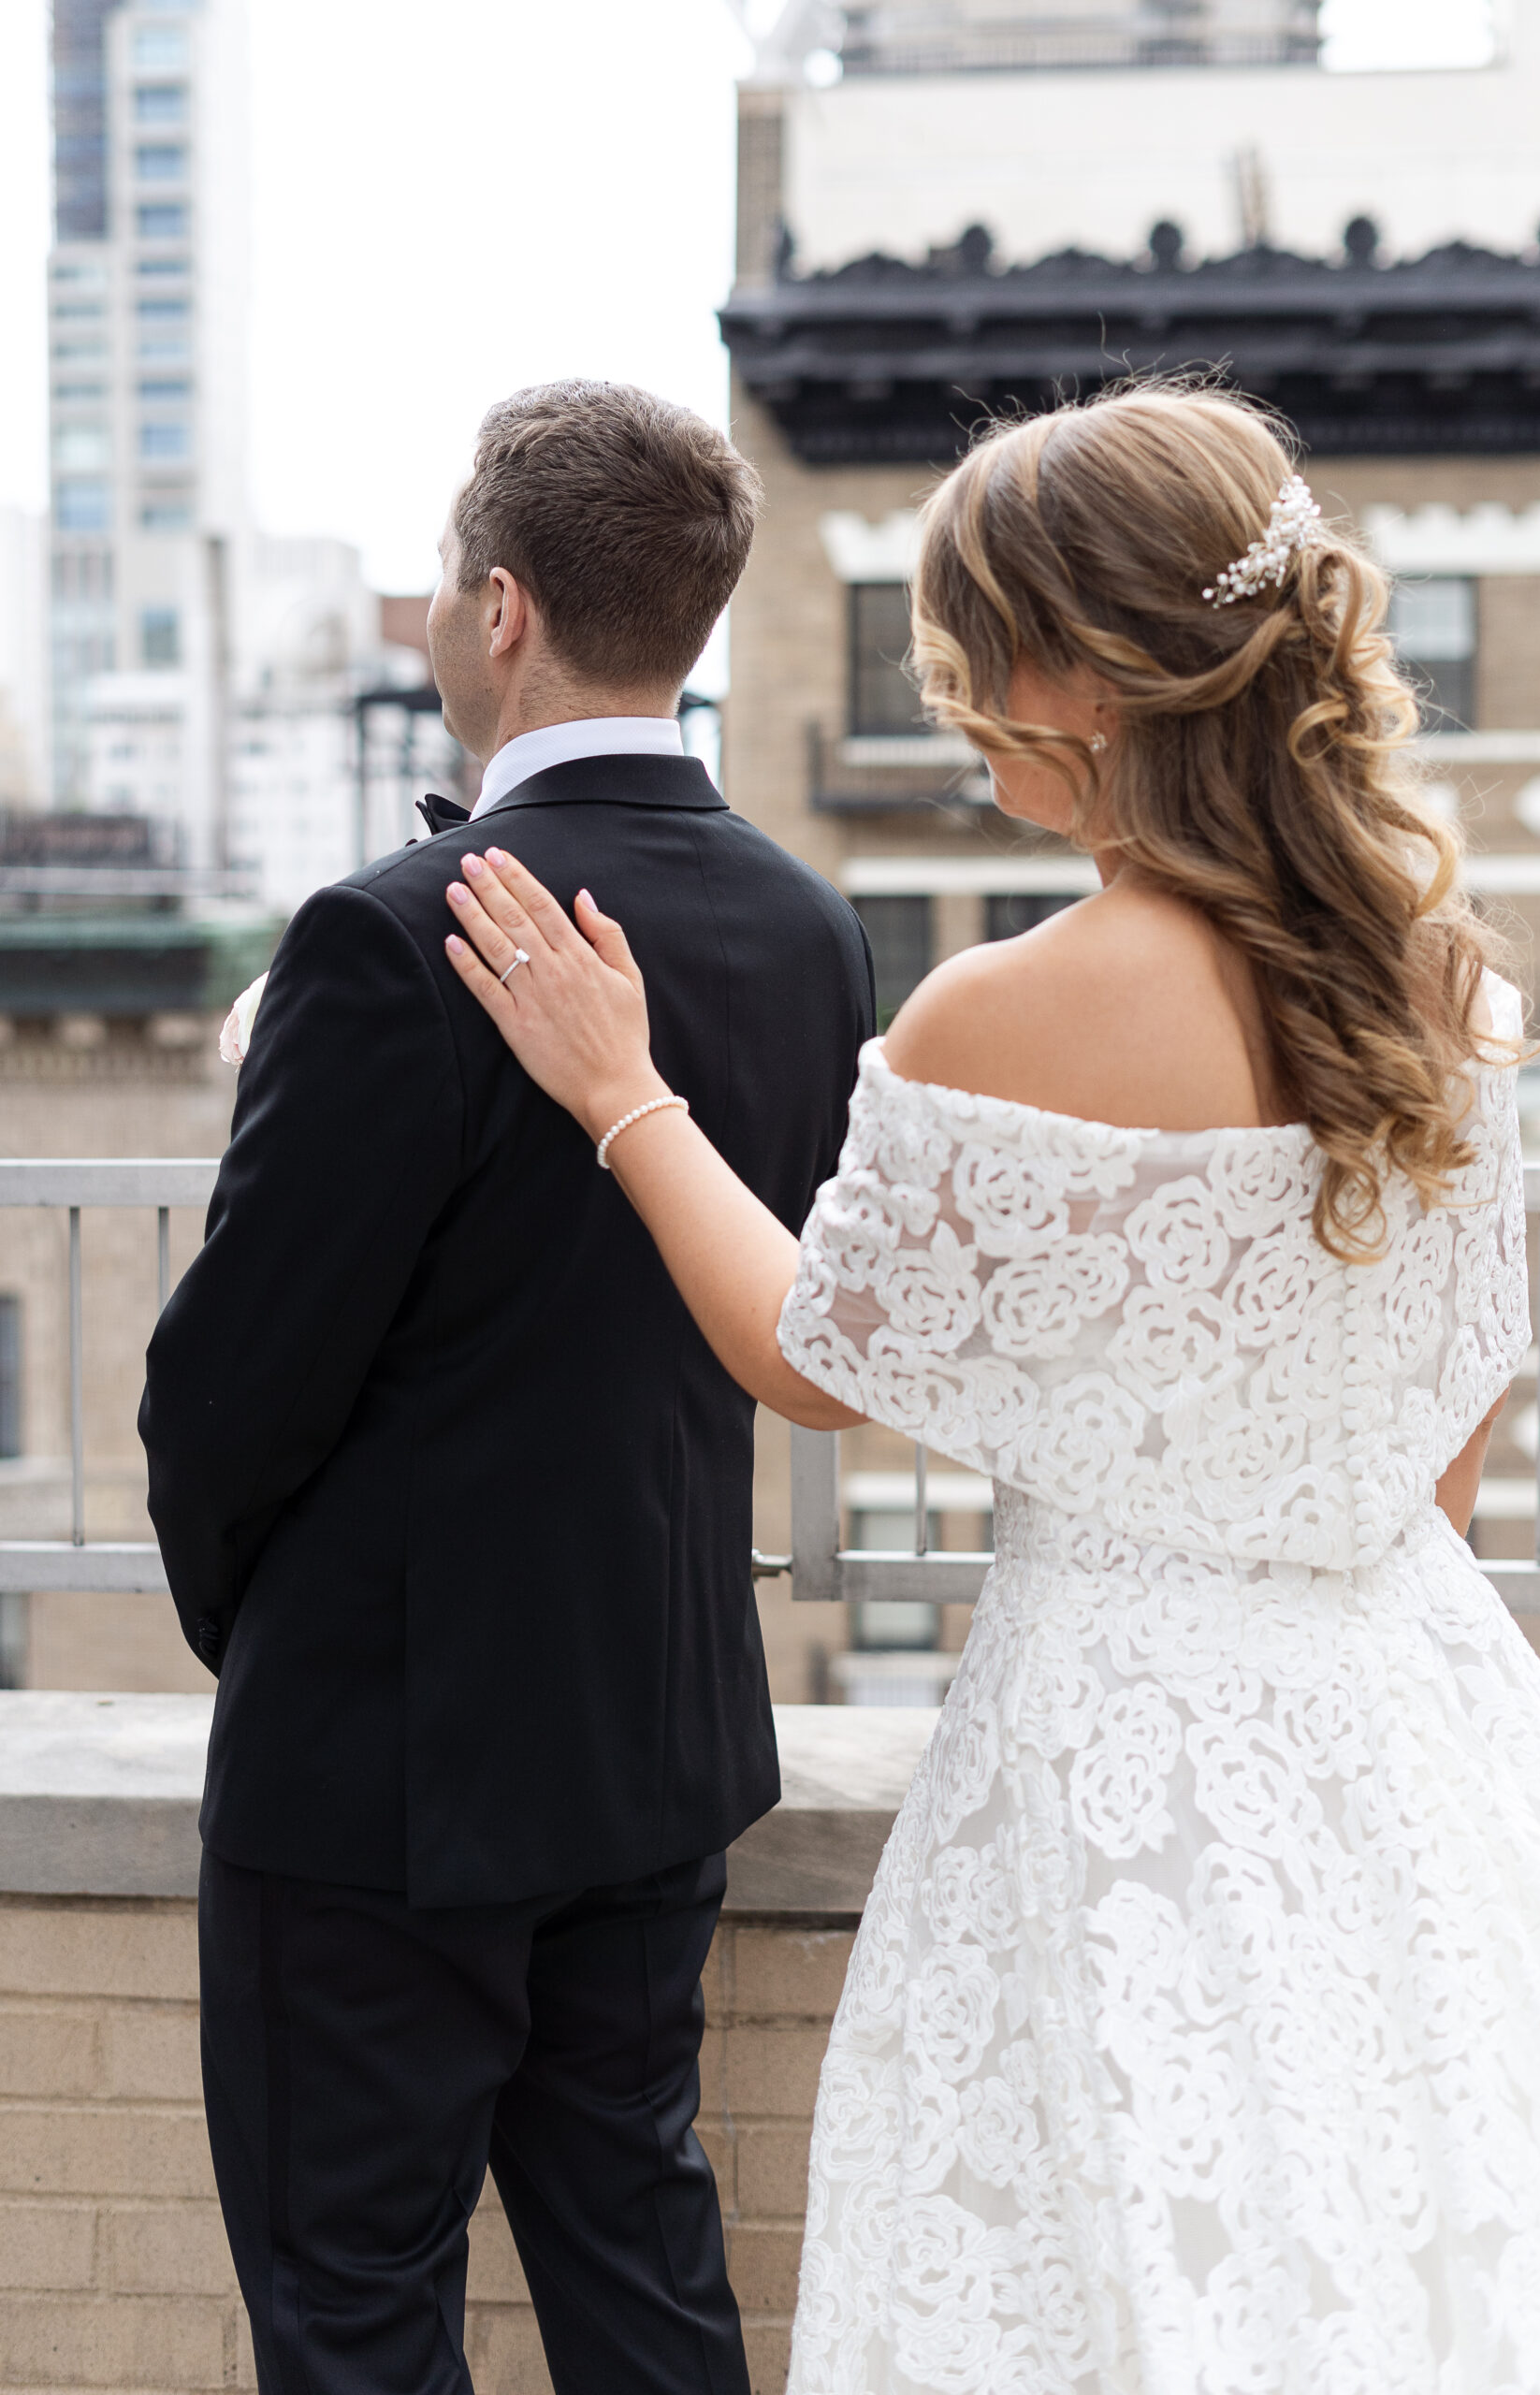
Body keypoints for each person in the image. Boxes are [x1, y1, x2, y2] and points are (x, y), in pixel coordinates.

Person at [442, 385, 1540, 2387]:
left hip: (1119, 1761)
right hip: (1422, 1722)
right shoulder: (1442, 978)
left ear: (1079, 670)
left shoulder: (1006, 1004)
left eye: (965, 655)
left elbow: (814, 1356)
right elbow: (1446, 1427)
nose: (952, 703)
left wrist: (622, 1093)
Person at [138, 381, 875, 2395]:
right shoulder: (808, 931)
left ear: (496, 608)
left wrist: (259, 1631)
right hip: (652, 1732)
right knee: (642, 2277)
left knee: (356, 2305)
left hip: (383, 1755)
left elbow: (229, 1385)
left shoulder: (388, 935)